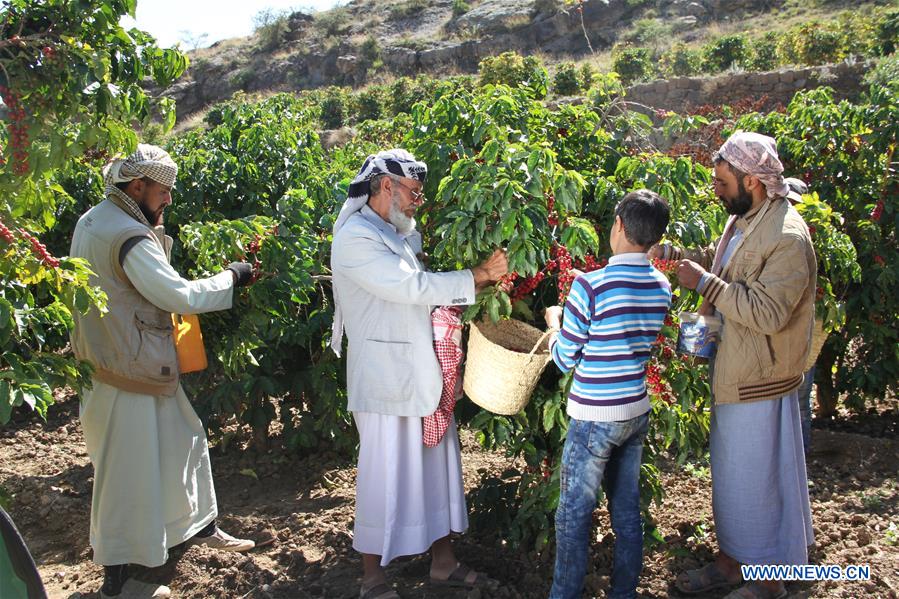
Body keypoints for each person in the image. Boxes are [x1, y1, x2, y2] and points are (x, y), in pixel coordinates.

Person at [70, 145, 256, 599]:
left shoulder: (97, 218)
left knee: (184, 440)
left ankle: (197, 527)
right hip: (125, 370)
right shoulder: (127, 237)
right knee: (125, 476)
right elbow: (179, 296)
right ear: (138, 187)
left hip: (128, 362)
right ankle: (117, 583)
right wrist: (232, 277)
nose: (169, 200)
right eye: (164, 190)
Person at [330, 149, 508, 599]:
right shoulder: (355, 238)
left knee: (437, 465)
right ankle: (372, 575)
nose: (417, 202)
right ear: (386, 187)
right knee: (382, 471)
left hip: (424, 371)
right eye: (412, 192)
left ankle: (443, 563)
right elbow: (410, 287)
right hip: (385, 378)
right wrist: (477, 275)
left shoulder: (401, 233)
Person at [652, 131, 815, 599]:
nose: (716, 190)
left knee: (756, 483)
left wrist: (705, 285)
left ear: (753, 181)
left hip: (761, 380)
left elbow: (768, 312)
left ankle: (767, 579)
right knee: (732, 480)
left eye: (723, 182)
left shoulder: (786, 236)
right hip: (737, 371)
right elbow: (726, 266)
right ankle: (732, 562)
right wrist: (675, 258)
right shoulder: (747, 220)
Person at [543, 190, 673, 599]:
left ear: (618, 225)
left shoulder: (590, 285)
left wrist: (554, 325)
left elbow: (566, 358)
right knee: (626, 513)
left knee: (573, 518)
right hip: (635, 410)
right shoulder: (661, 284)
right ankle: (624, 593)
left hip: (594, 416)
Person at [784, 177, 815, 454]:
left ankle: (800, 455)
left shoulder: (799, 236)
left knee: (801, 399)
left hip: (801, 334)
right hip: (784, 339)